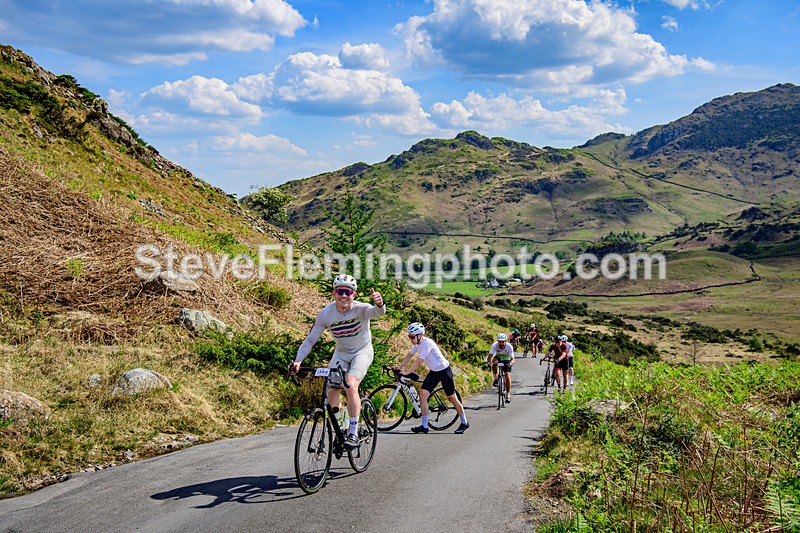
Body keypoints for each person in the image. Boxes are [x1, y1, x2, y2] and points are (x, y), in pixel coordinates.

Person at [289, 274, 386, 448]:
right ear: (334, 293)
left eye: (348, 292)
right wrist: (298, 361)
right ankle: (342, 425)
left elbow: (377, 312)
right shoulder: (326, 313)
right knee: (332, 392)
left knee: (350, 384)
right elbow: (310, 340)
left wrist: (379, 303)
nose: (344, 295)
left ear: (353, 295)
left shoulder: (361, 308)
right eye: (340, 291)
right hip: (341, 353)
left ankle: (353, 433)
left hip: (362, 351)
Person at [393, 323, 470, 434]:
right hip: (434, 372)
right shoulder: (417, 344)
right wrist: (400, 367)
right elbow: (409, 355)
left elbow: (419, 361)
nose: (410, 339)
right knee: (423, 395)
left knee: (451, 398)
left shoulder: (427, 343)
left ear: (420, 335)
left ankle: (464, 422)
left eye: (412, 337)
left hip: (444, 371)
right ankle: (424, 426)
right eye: (409, 336)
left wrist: (407, 372)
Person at [487, 332, 515, 403]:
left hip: (507, 359)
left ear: (506, 341)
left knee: (507, 375)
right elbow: (490, 355)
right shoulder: (494, 345)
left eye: (502, 341)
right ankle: (496, 378)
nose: (501, 343)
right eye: (499, 341)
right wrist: (489, 362)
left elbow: (512, 358)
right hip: (498, 357)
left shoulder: (509, 346)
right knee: (494, 362)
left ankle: (508, 394)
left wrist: (511, 363)